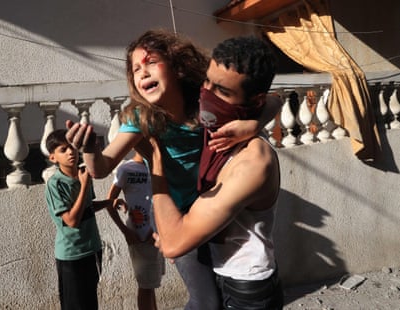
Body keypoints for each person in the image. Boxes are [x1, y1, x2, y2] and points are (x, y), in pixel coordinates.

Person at [65, 29, 283, 309]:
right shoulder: (141, 118)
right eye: (135, 69)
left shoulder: (204, 102)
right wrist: (89, 149)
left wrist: (255, 123)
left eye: (151, 62)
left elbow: (273, 97)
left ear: (177, 67)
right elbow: (101, 168)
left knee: (220, 290)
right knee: (205, 301)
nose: (142, 72)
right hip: (175, 215)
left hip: (208, 210)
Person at [150, 36, 284, 309]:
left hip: (247, 290)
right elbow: (275, 99)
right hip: (218, 268)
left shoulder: (253, 162)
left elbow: (174, 244)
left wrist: (155, 162)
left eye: (221, 90)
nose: (207, 93)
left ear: (252, 99)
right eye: (207, 81)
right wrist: (254, 122)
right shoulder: (220, 124)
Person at [44, 129, 125, 310]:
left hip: (92, 249)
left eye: (72, 148)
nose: (71, 152)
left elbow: (87, 208)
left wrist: (109, 202)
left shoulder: (83, 174)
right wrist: (83, 186)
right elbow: (72, 221)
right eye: (63, 150)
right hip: (72, 255)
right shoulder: (55, 184)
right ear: (53, 158)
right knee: (75, 305)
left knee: (90, 303)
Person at [106, 151, 165, 310]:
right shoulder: (126, 169)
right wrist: (126, 231)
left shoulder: (158, 166)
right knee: (145, 286)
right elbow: (109, 202)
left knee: (151, 285)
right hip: (140, 237)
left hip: (158, 235)